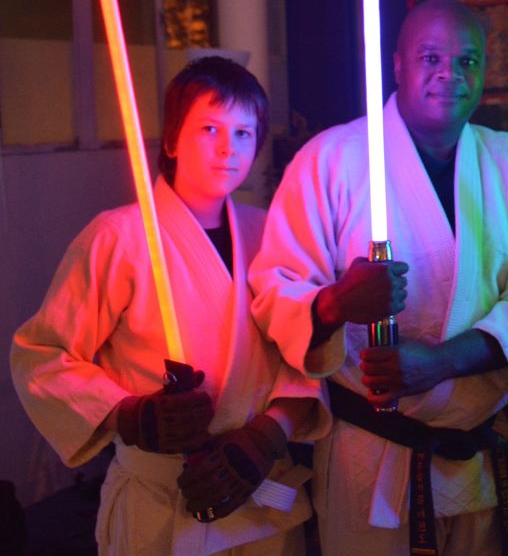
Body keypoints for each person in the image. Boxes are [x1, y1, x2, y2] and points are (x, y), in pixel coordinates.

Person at [248, 0, 508, 556]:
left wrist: (441, 362)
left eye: (469, 61)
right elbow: (277, 289)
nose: (451, 74)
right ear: (397, 65)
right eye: (431, 57)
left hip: (474, 460)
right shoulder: (331, 159)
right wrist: (336, 304)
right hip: (371, 462)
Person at [10, 56, 329, 556]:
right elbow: (42, 355)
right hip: (160, 505)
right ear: (173, 140)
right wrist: (128, 414)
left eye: (244, 133)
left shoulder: (269, 231)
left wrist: (268, 436)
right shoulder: (117, 236)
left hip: (258, 496)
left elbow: (302, 354)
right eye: (209, 128)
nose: (228, 147)